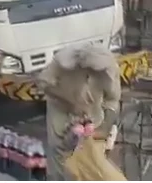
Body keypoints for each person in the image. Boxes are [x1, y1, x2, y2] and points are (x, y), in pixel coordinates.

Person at [39, 44, 121, 180]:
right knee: (60, 162)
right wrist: (71, 103)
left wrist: (106, 126)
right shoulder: (61, 63)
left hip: (93, 122)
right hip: (61, 117)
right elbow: (43, 85)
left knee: (92, 164)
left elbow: (113, 100)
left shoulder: (109, 68)